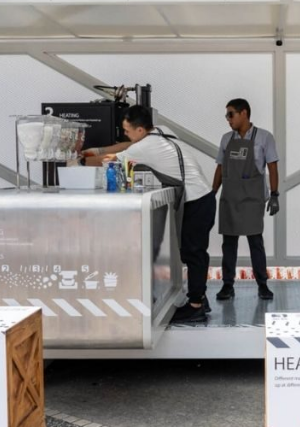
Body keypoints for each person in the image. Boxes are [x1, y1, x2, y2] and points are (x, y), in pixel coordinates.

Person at [88, 106, 215, 324]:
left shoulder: (146, 146)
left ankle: (196, 307)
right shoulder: (161, 131)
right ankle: (200, 298)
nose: (125, 134)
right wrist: (97, 149)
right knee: (194, 251)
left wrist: (79, 160)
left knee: (193, 252)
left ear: (139, 130)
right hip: (203, 196)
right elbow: (127, 146)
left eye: (127, 130)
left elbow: (109, 159)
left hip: (197, 200)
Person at [212, 98, 280, 301]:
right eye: (227, 115)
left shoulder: (264, 138)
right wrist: (212, 193)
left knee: (255, 242)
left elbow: (272, 167)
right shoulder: (226, 139)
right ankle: (227, 285)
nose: (228, 119)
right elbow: (220, 167)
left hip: (252, 198)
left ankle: (262, 285)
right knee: (228, 244)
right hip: (230, 198)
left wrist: (275, 195)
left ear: (244, 113)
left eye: (230, 114)